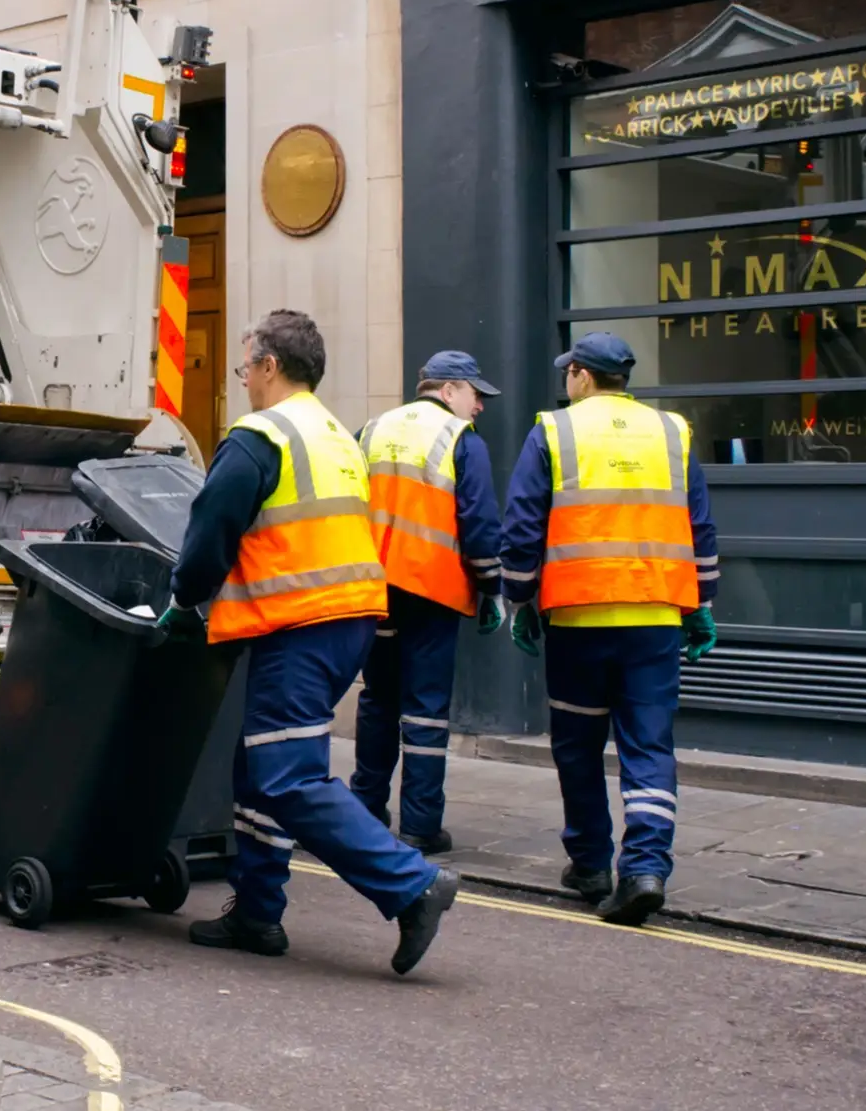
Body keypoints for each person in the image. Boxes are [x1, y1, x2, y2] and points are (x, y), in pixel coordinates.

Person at [157, 309, 461, 975]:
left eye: (244, 366)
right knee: (257, 766)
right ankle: (258, 912)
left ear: (269, 365)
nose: (243, 379)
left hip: (301, 621)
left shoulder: (260, 435)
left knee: (287, 775)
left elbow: (211, 528)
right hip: (343, 619)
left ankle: (411, 886)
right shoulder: (333, 434)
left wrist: (182, 598)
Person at [498, 331, 720, 927]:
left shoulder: (554, 430)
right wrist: (700, 604)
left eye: (567, 370)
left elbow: (522, 526)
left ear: (581, 376)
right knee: (649, 744)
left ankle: (592, 864)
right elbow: (698, 523)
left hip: (579, 617)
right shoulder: (672, 431)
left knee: (577, 744)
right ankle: (646, 869)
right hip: (654, 618)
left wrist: (519, 600)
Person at [349, 351, 507, 854]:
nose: (479, 405)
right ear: (448, 390)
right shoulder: (461, 440)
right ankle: (420, 824)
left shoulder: (371, 429)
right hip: (430, 592)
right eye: (475, 393)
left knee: (378, 698)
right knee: (424, 708)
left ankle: (365, 809)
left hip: (374, 589)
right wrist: (491, 587)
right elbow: (480, 525)